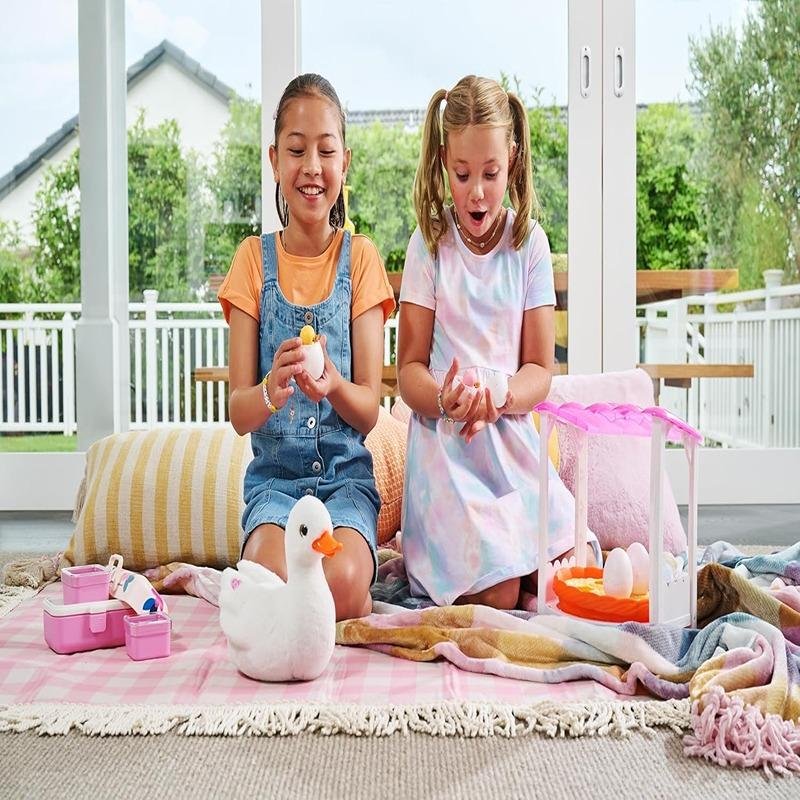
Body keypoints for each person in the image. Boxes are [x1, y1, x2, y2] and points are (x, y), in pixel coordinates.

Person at [397, 75, 599, 609]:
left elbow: (539, 370)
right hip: (447, 452)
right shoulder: (429, 244)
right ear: (444, 161)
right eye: (462, 174)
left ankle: (528, 570)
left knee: (574, 571)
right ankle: (494, 573)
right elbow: (409, 372)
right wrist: (445, 399)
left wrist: (501, 394)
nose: (477, 192)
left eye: (491, 173)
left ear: (512, 157)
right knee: (501, 589)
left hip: (509, 442)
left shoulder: (529, 244)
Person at [218, 73, 395, 621]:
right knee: (271, 577)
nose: (312, 167)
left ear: (346, 162)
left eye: (326, 151)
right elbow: (238, 414)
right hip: (275, 489)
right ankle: (325, 612)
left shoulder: (361, 260)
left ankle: (340, 600)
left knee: (339, 582)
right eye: (296, 151)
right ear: (275, 161)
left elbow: (369, 411)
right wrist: (269, 392)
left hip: (345, 486)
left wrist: (334, 385)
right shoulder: (252, 260)